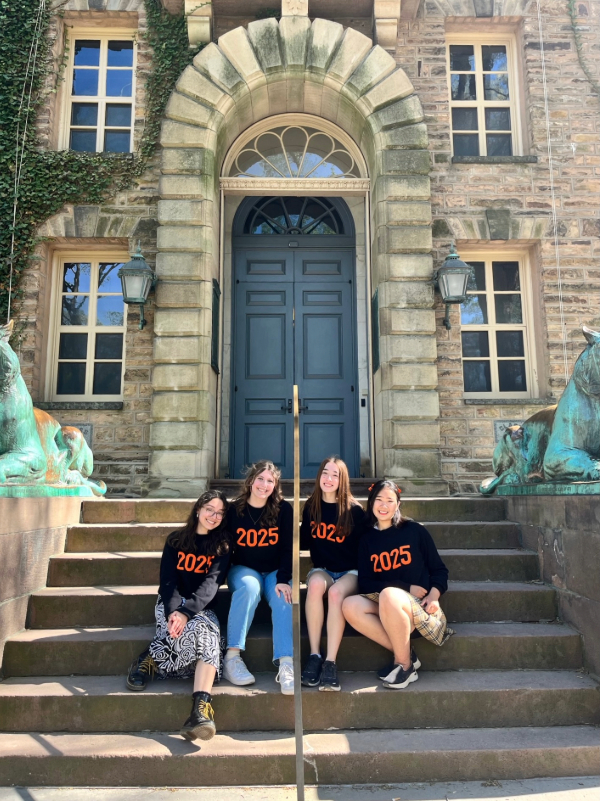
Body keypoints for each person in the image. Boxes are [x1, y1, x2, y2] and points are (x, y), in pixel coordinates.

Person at [126, 490, 231, 741]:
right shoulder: (175, 541)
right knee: (197, 636)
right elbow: (168, 582)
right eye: (209, 510)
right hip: (171, 603)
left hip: (201, 607)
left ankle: (199, 709)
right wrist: (175, 611)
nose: (214, 516)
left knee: (205, 633)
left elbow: (210, 585)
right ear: (198, 509)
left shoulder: (222, 546)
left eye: (219, 513)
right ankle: (153, 659)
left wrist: (187, 612)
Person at [342, 479, 453, 690]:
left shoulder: (414, 531)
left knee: (389, 595)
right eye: (379, 500)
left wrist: (434, 596)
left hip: (418, 608)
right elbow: (365, 583)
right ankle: (406, 654)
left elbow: (440, 570)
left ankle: (403, 665)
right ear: (371, 502)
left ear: (398, 505)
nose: (384, 506)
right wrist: (404, 586)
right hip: (389, 605)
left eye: (390, 501)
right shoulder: (367, 540)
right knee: (349, 605)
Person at [223, 460, 294, 695]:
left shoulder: (284, 510)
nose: (264, 485)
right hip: (243, 569)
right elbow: (223, 548)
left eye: (270, 481)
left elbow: (287, 549)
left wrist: (284, 578)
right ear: (251, 480)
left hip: (275, 571)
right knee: (250, 588)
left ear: (275, 486)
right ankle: (232, 658)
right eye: (260, 479)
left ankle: (286, 663)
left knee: (284, 595)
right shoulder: (234, 511)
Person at [300, 457, 365, 691]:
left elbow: (367, 548)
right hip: (323, 570)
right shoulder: (311, 506)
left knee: (337, 593)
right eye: (325, 473)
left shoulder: (355, 511)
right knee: (316, 586)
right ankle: (315, 655)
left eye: (335, 475)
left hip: (350, 572)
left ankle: (330, 661)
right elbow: (303, 542)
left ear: (342, 480)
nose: (328, 479)